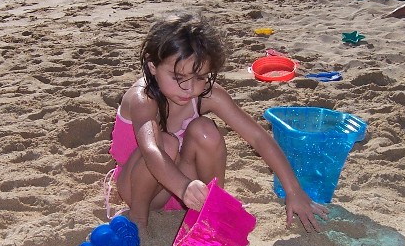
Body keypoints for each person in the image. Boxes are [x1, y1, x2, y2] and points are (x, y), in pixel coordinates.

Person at [110, 12, 328, 230]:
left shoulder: (208, 95)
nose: (189, 88)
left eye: (200, 77)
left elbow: (257, 137)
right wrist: (184, 186)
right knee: (166, 144)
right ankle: (137, 219)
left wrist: (293, 190)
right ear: (152, 67)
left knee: (206, 130)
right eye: (178, 78)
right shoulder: (143, 99)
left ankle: (212, 208)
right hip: (142, 189)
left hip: (188, 193)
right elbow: (150, 150)